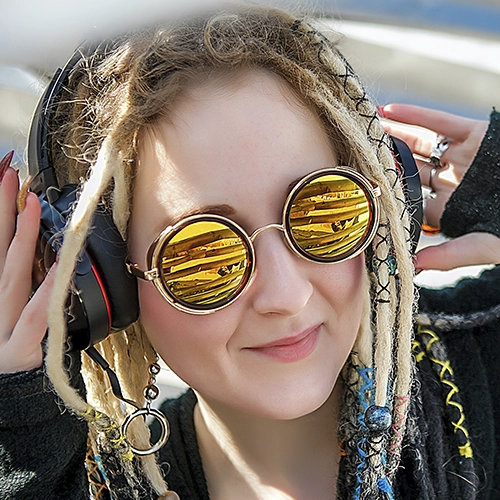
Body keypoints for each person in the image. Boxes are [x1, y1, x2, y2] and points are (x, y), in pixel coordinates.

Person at [0, 5, 499, 499]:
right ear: (102, 284)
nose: (286, 294)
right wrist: (21, 426)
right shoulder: (79, 482)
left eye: (324, 212)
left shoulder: (483, 358)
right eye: (203, 254)